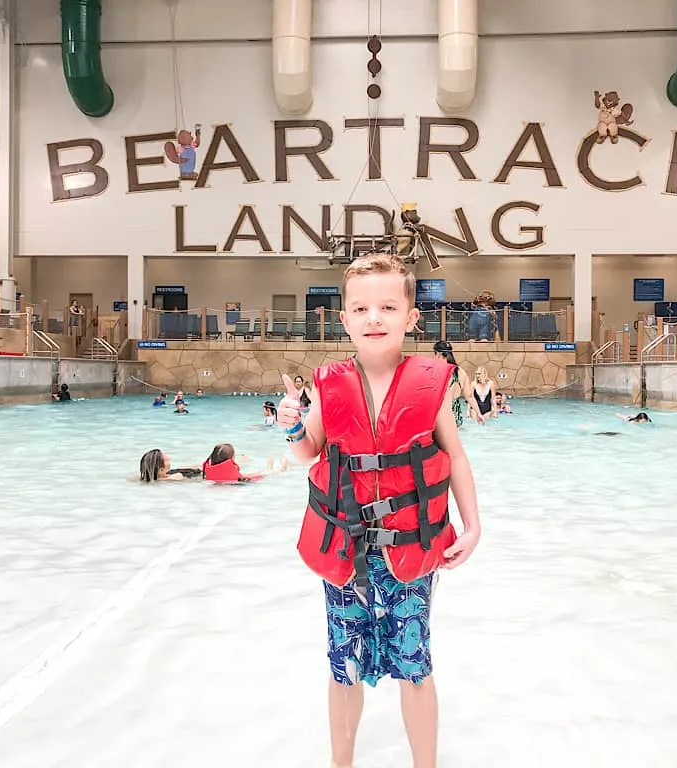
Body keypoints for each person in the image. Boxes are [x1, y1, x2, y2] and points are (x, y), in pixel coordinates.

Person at [276, 253, 480, 768]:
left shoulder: (432, 384)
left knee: (415, 664)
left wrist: (473, 525)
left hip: (409, 551)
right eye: (361, 308)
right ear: (343, 318)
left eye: (388, 306)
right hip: (344, 552)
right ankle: (340, 762)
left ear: (411, 318)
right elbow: (310, 453)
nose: (374, 318)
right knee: (343, 666)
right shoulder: (329, 383)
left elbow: (454, 455)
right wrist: (293, 426)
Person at [432, 339, 485, 427]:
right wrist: (479, 413)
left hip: (441, 413)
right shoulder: (460, 372)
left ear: (438, 354)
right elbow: (469, 396)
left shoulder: (435, 370)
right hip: (455, 414)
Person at [201, 442, 287, 482]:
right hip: (240, 482)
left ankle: (269, 468)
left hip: (233, 482)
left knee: (264, 473)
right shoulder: (236, 477)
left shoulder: (208, 475)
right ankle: (281, 469)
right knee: (266, 473)